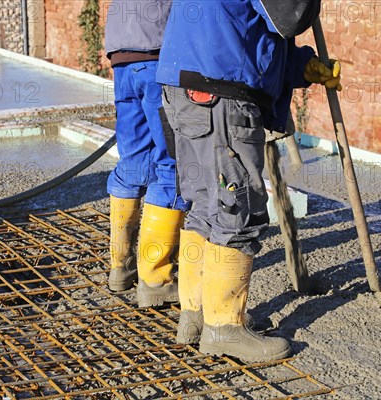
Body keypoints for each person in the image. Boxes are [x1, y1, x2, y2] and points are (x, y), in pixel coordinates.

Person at [157, 0, 341, 362]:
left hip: (185, 84)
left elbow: (252, 30)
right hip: (219, 92)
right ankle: (224, 328)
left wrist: (303, 67)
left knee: (205, 206)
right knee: (235, 209)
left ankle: (196, 314)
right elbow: (287, 15)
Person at [104, 0, 189, 307]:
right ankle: (156, 279)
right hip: (157, 57)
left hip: (122, 56)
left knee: (134, 163)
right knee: (173, 166)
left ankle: (121, 267)